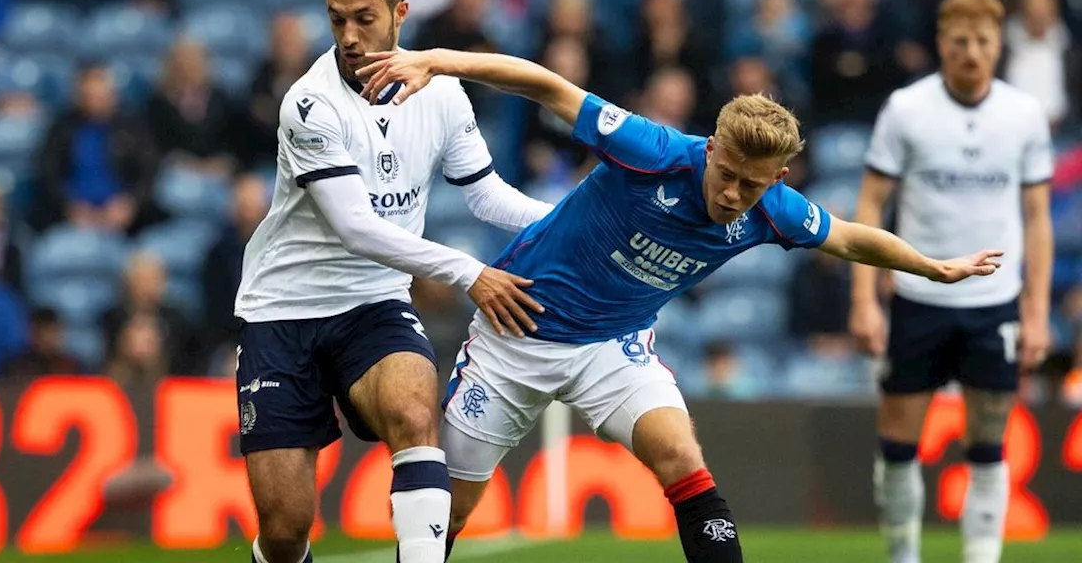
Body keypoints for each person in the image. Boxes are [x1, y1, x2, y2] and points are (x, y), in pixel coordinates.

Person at [352, 47, 1003, 563]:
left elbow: (850, 237)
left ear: (778, 179)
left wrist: (931, 267)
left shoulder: (772, 209)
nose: (733, 196)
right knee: (452, 511)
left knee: (681, 459)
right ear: (712, 149)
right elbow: (547, 86)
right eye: (727, 176)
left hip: (614, 346)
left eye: (753, 187)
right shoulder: (652, 151)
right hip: (515, 331)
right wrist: (438, 60)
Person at [232, 0, 551, 563]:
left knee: (413, 407)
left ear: (400, 13)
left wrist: (575, 222)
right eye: (336, 20)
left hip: (372, 302)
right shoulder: (308, 104)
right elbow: (358, 228)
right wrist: (471, 273)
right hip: (282, 310)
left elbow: (486, 196)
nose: (349, 36)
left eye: (364, 18)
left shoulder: (441, 92)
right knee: (286, 528)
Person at [849, 0, 1054, 563]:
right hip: (917, 297)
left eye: (983, 41)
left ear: (998, 47)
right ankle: (902, 554)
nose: (971, 52)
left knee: (989, 440)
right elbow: (870, 206)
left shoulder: (1023, 116)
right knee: (898, 442)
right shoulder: (907, 110)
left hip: (995, 301)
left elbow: (1037, 219)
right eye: (960, 41)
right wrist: (864, 299)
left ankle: (981, 556)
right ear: (942, 44)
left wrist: (1035, 312)